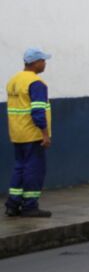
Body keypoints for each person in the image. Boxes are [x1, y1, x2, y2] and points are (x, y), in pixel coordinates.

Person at [5, 48, 53, 218]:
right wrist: (45, 134)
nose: (45, 63)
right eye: (43, 60)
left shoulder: (13, 81)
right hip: (33, 134)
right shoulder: (36, 83)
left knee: (19, 168)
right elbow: (38, 111)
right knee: (34, 170)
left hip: (17, 133)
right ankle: (30, 206)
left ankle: (12, 205)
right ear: (35, 63)